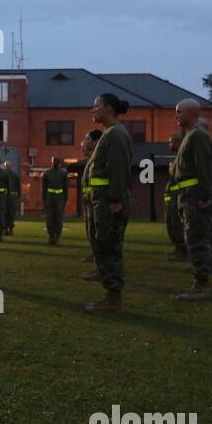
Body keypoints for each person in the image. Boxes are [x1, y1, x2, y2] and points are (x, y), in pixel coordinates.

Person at [83, 94, 132, 314]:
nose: (92, 111)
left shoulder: (115, 134)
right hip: (101, 199)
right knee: (104, 244)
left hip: (108, 201)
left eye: (96, 106)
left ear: (109, 108)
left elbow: (119, 169)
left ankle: (113, 299)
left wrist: (114, 199)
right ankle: (111, 295)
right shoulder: (109, 134)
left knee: (109, 246)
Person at [170, 99, 212, 300]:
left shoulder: (198, 136)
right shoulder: (190, 136)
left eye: (179, 112)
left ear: (191, 113)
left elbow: (204, 169)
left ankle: (201, 286)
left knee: (197, 238)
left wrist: (204, 196)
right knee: (193, 237)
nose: (176, 116)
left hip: (194, 197)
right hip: (187, 196)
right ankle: (200, 279)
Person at [80, 130, 102, 266]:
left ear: (95, 141)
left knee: (96, 230)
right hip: (89, 199)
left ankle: (99, 258)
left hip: (96, 199)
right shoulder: (92, 158)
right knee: (90, 229)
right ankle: (95, 254)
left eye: (88, 139)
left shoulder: (100, 157)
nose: (85, 142)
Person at [163, 133, 186, 260]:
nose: (169, 144)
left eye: (171, 142)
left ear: (178, 142)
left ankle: (183, 251)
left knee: (177, 224)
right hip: (172, 198)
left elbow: (178, 176)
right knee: (171, 224)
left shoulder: (182, 158)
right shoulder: (177, 158)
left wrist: (171, 169)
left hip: (178, 197)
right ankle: (178, 248)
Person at [42, 156, 67, 245]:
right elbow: (44, 188)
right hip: (50, 198)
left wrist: (64, 200)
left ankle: (58, 236)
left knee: (58, 218)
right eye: (54, 161)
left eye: (57, 161)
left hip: (59, 198)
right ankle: (51, 236)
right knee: (50, 218)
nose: (55, 162)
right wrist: (44, 199)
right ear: (51, 162)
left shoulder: (63, 174)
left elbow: (65, 188)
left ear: (59, 162)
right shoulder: (47, 173)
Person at [5, 163, 21, 235]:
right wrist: (18, 197)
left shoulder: (3, 175)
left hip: (5, 197)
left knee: (5, 214)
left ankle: (5, 230)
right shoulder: (15, 176)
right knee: (11, 214)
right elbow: (19, 187)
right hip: (13, 197)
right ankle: (10, 230)